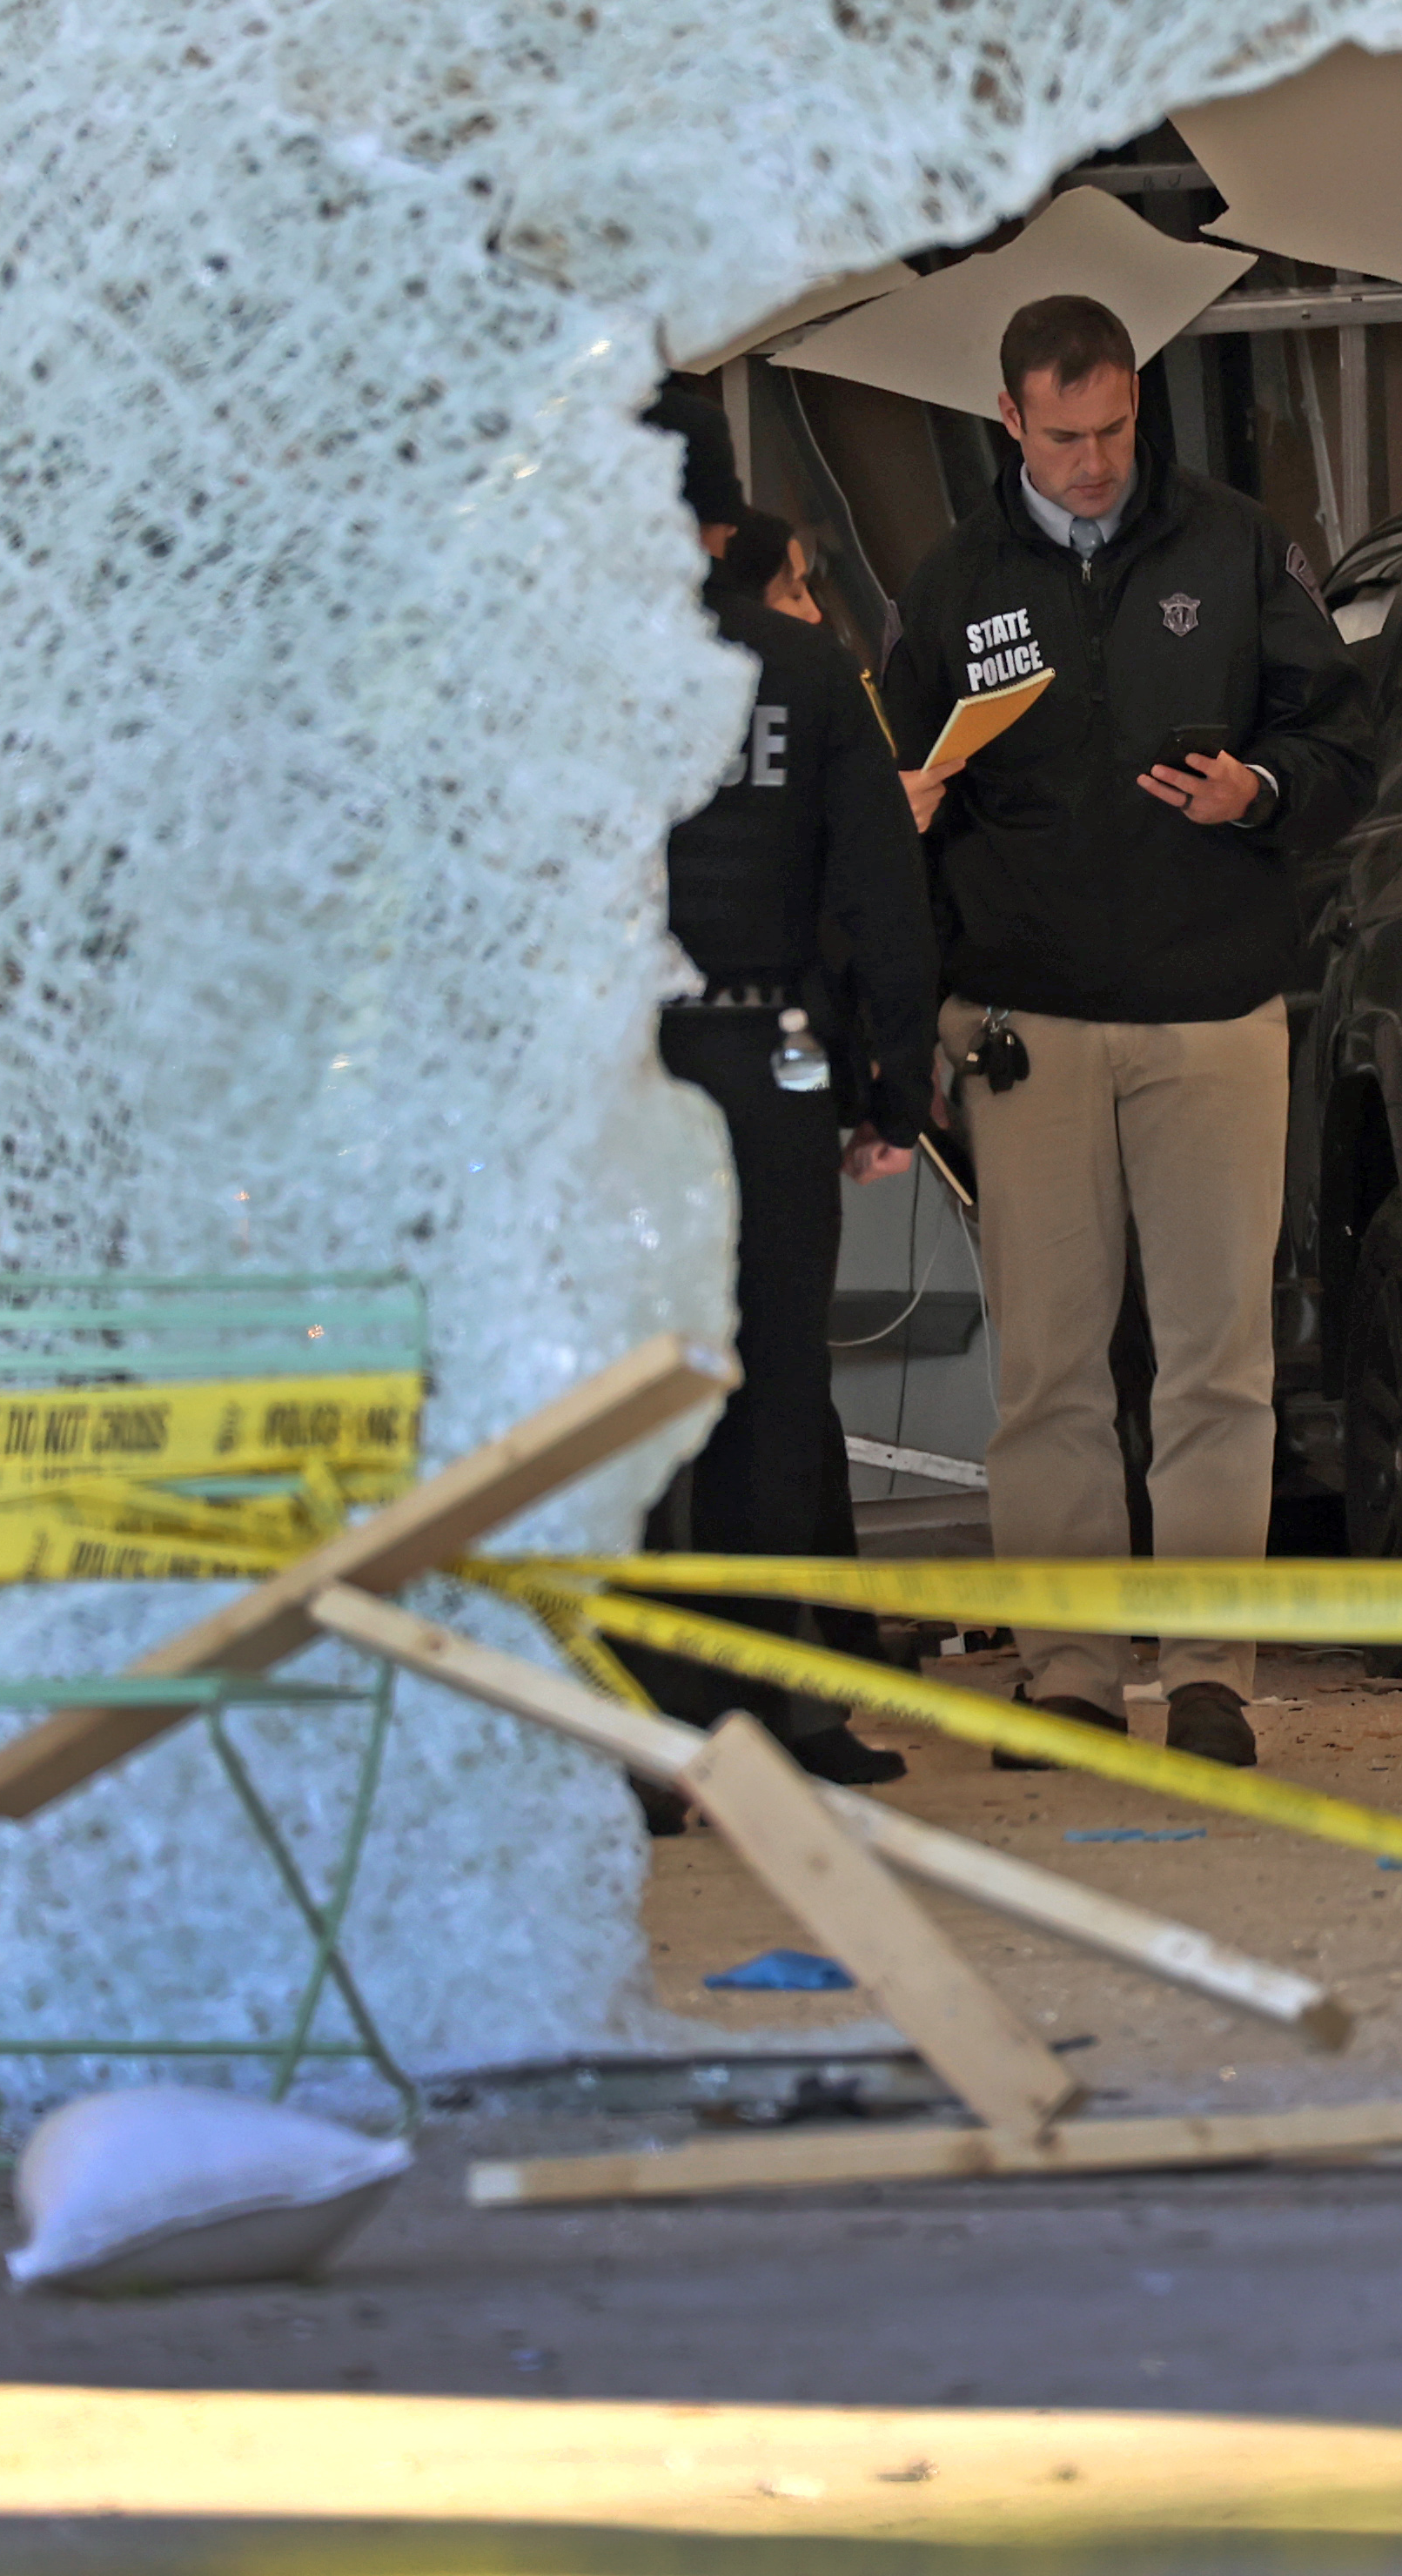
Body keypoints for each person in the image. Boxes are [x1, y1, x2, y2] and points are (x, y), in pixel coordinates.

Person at [881, 294, 1372, 1768]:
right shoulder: (955, 580)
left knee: (1219, 1355)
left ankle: (1212, 1666)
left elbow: (1345, 739)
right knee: (1050, 1367)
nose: (1094, 464)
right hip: (1024, 1017)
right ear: (1011, 420)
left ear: (1137, 410)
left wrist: (1264, 790)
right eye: (1065, 435)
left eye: (1114, 432)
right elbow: (893, 798)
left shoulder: (1236, 547)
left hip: (1213, 1005)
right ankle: (1072, 1673)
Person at [647, 432, 940, 1787]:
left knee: (628, 1396)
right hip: (769, 1060)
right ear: (726, 533)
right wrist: (892, 1091)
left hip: (614, 1077)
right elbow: (888, 903)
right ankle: (783, 1709)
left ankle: (640, 1731)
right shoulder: (813, 672)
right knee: (772, 1385)